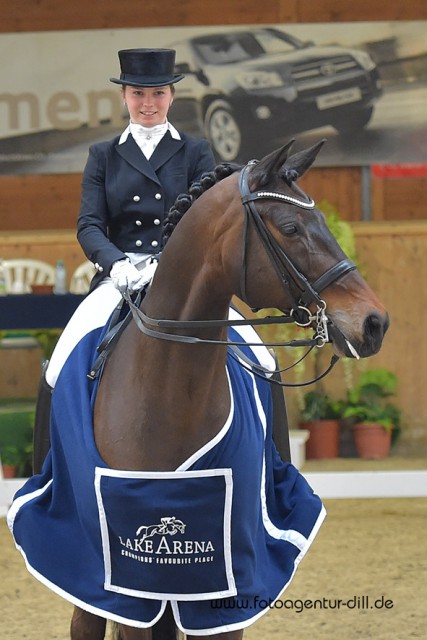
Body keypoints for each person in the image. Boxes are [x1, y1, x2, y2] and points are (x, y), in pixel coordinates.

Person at [33, 48, 216, 472]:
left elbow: (205, 220)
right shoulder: (104, 155)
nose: (148, 104)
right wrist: (117, 265)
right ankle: (48, 475)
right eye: (138, 93)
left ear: (172, 96)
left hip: (183, 275)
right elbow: (89, 225)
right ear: (124, 97)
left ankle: (275, 472)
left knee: (262, 358)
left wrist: (171, 263)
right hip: (120, 276)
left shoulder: (196, 152)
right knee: (60, 363)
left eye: (157, 93)